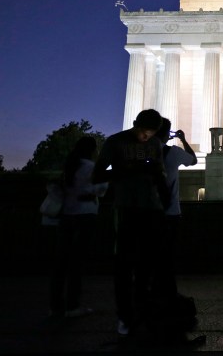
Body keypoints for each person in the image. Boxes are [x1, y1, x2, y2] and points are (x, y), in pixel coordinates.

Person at [92, 109, 167, 336]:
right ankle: (124, 316)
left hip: (151, 209)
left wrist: (162, 196)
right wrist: (127, 170)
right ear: (135, 124)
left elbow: (160, 176)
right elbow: (96, 175)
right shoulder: (115, 142)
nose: (147, 137)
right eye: (144, 132)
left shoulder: (155, 145)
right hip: (126, 208)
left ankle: (143, 312)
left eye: (151, 133)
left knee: (147, 265)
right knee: (124, 265)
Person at [49, 136, 108, 318]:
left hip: (67, 215)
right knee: (76, 263)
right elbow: (102, 190)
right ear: (92, 150)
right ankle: (72, 306)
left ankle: (55, 307)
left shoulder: (69, 166)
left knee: (61, 263)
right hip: (85, 215)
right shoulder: (91, 167)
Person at [156, 118, 197, 296]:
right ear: (167, 134)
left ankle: (147, 292)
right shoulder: (173, 153)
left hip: (145, 211)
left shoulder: (141, 152)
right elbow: (193, 160)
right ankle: (168, 291)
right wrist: (183, 140)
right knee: (168, 255)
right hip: (170, 212)